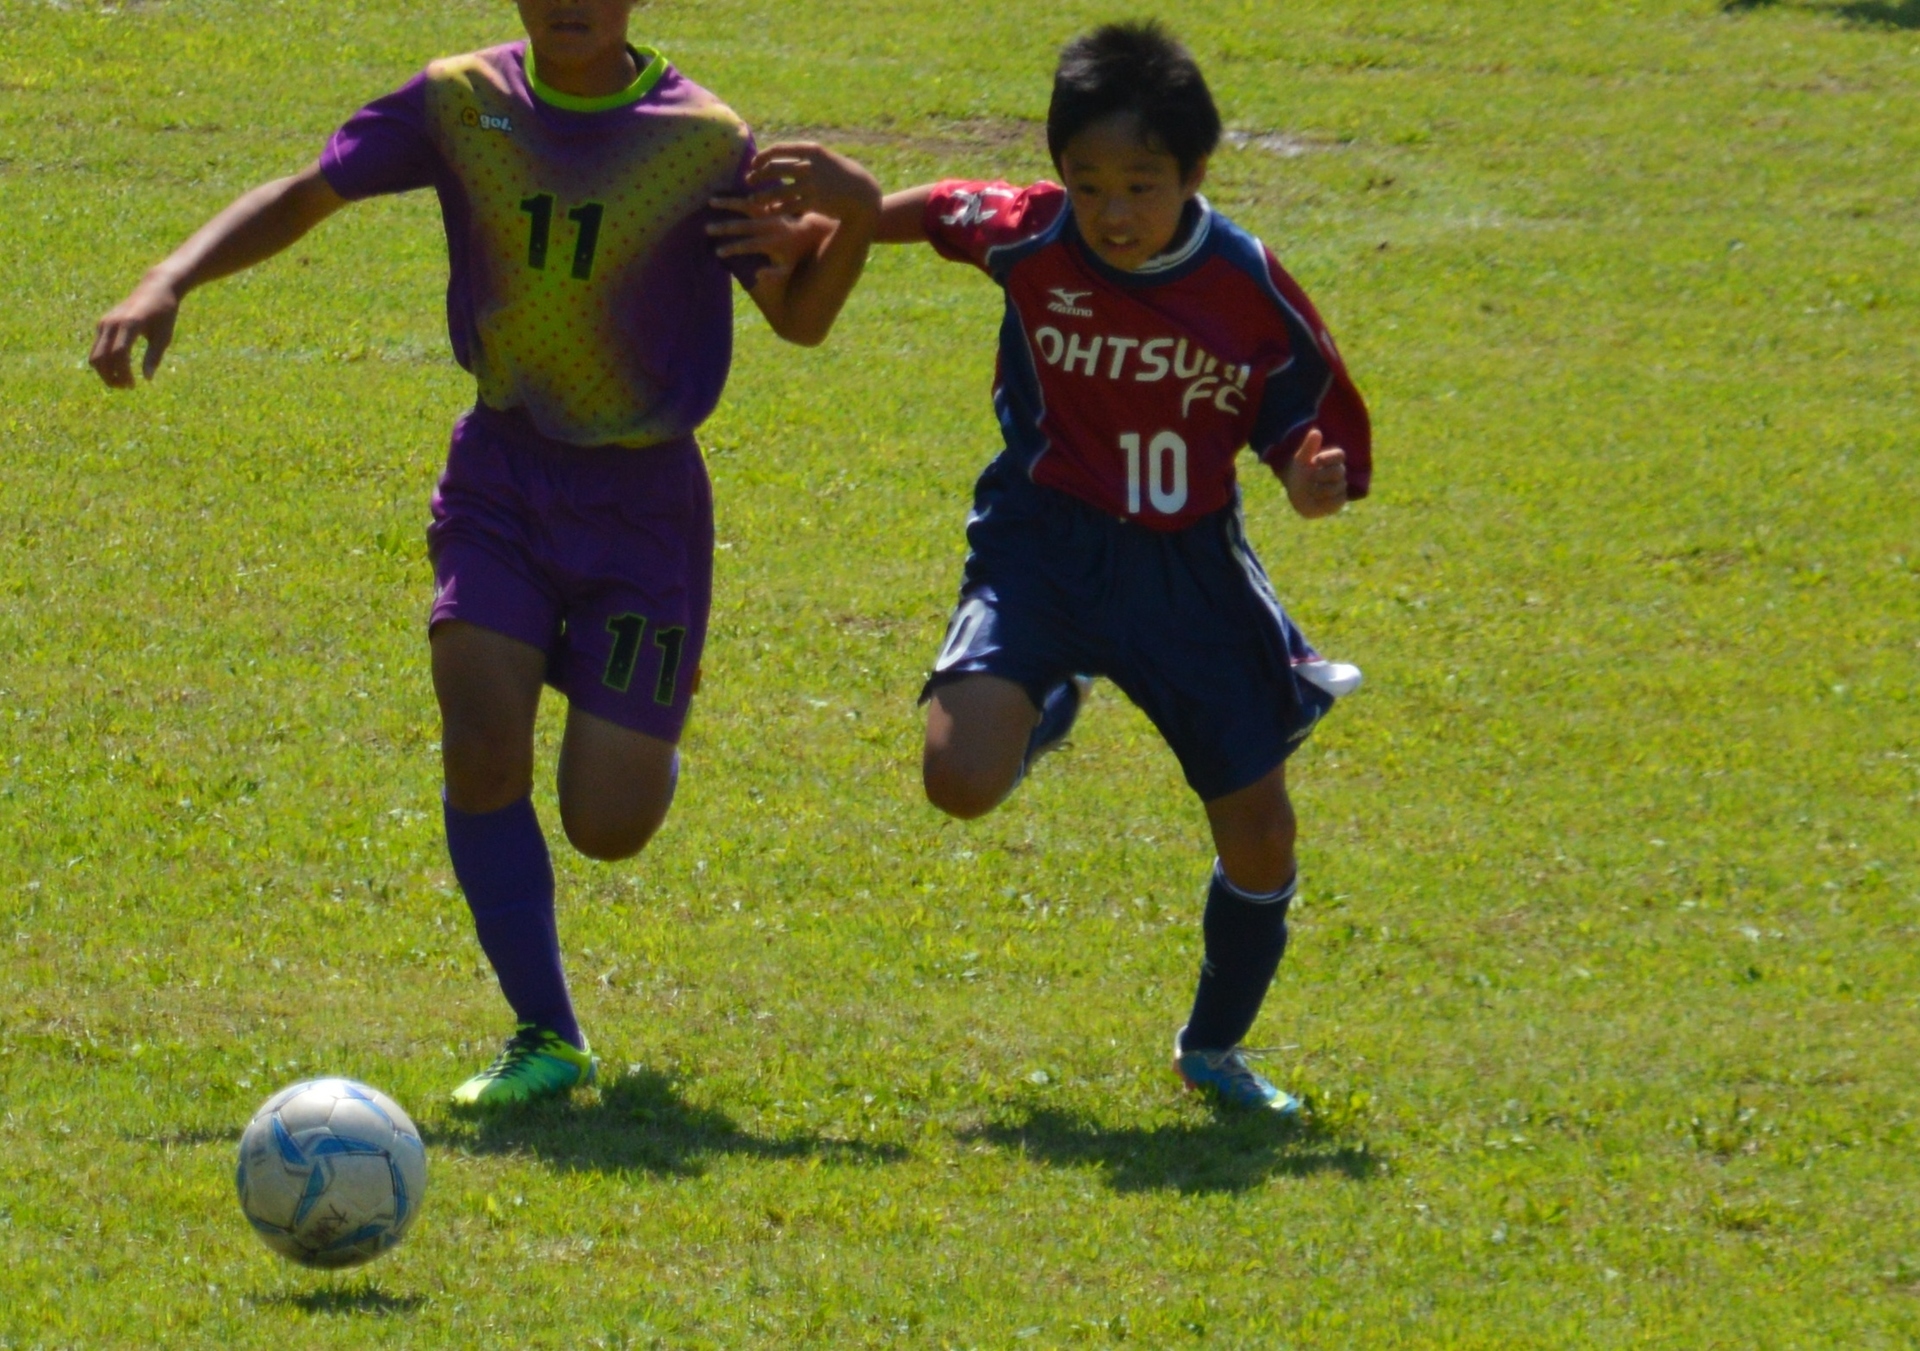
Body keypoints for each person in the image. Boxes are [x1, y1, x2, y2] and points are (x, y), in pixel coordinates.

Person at [89, 0, 881, 1108]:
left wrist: (858, 219)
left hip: (646, 509)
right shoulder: (462, 100)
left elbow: (796, 318)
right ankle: (546, 1033)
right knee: (480, 746)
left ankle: (632, 722)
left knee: (609, 823)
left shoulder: (704, 139)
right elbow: (306, 195)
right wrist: (167, 276)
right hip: (503, 477)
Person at [870, 21, 1371, 1111]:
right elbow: (942, 207)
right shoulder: (1036, 236)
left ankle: (1214, 1047)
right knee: (958, 780)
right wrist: (853, 216)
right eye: (1088, 183)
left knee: (1262, 828)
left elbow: (1297, 418)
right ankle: (1051, 685)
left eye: (1140, 184)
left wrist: (1308, 477)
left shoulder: (1243, 281)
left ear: (1194, 174)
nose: (1113, 211)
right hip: (1042, 542)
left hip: (1187, 572)